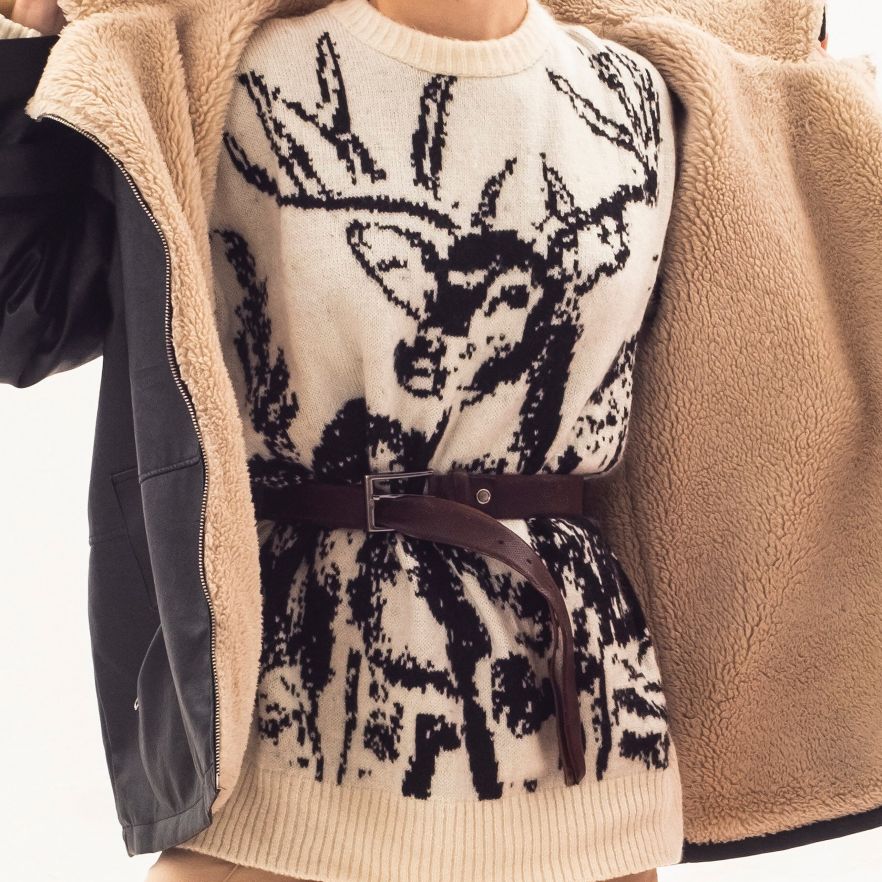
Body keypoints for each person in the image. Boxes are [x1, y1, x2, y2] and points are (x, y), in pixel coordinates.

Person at [3, 0, 679, 880]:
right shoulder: (222, 78)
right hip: (299, 714)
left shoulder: (635, 97)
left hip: (579, 731)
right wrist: (26, 37)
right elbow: (23, 314)